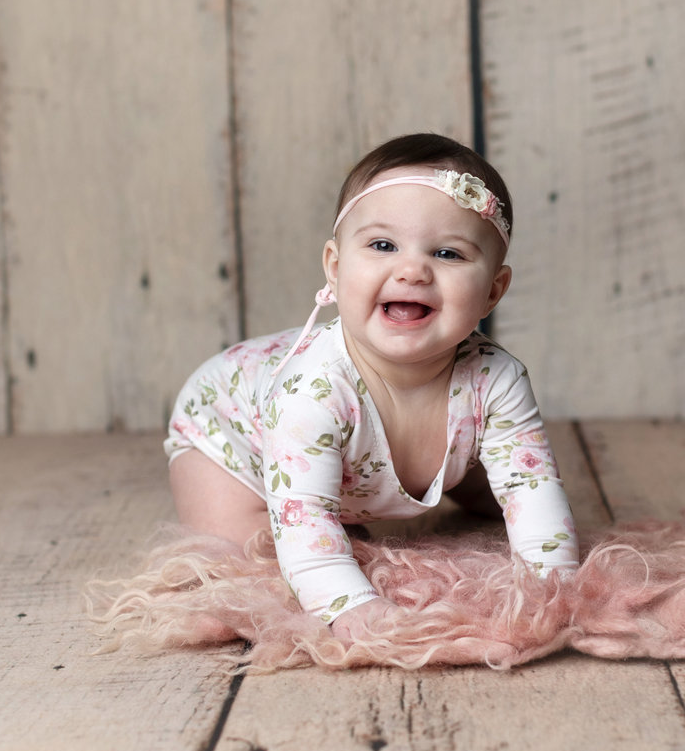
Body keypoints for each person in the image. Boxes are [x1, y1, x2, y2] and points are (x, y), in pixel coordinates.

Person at [164, 133, 580, 642]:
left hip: (383, 460)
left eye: (448, 253)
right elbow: (305, 517)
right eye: (383, 246)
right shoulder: (313, 389)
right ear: (336, 270)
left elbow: (531, 488)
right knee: (249, 554)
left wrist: (552, 586)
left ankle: (449, 480)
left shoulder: (496, 379)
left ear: (492, 291)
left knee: (511, 491)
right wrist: (354, 608)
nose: (411, 270)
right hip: (231, 431)